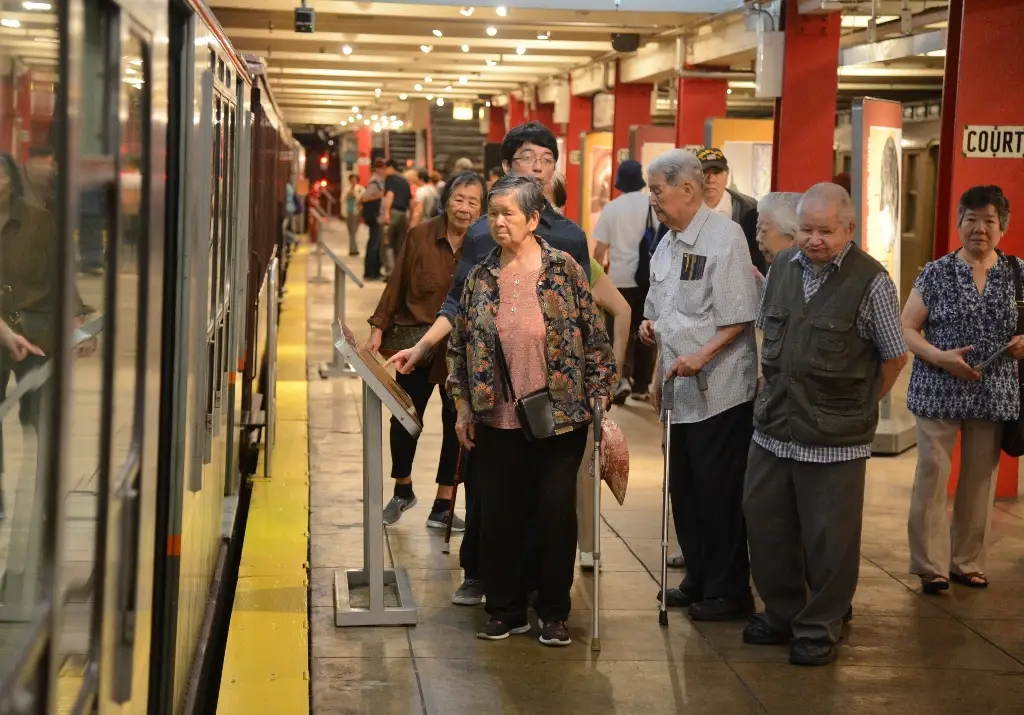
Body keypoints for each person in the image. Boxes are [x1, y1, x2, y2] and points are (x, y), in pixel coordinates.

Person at [387, 121, 591, 607]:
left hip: (553, 395)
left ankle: (543, 587)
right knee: (488, 489)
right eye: (527, 158)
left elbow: (587, 320)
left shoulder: (571, 238)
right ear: (506, 166)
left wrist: (595, 393)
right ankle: (481, 572)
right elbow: (458, 304)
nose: (538, 166)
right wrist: (423, 347)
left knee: (549, 498)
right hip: (492, 391)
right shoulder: (483, 235)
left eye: (547, 158)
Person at [742, 183, 909, 667]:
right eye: (805, 230)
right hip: (773, 427)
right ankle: (780, 613)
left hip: (835, 440)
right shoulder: (781, 270)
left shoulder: (872, 281)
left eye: (825, 231)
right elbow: (766, 332)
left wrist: (860, 408)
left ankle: (819, 625)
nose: (813, 240)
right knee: (767, 525)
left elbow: (894, 358)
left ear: (849, 230)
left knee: (828, 538)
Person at [446, 173, 617, 645]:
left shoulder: (564, 270)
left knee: (555, 514)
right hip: (495, 417)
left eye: (508, 214)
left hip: (560, 418)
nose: (498, 223)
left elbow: (595, 339)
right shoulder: (481, 277)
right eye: (493, 214)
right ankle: (505, 608)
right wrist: (462, 408)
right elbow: (458, 351)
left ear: (534, 218)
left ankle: (554, 611)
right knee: (501, 515)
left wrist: (602, 395)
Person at [639, 149, 760, 622]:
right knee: (683, 488)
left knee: (718, 492)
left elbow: (738, 317)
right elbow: (660, 314)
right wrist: (654, 360)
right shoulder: (666, 243)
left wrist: (700, 356)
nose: (652, 199)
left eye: (657, 190)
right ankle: (699, 576)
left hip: (720, 392)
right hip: (677, 391)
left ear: (687, 190)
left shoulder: (725, 238)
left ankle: (729, 589)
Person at [903, 185, 1024, 594]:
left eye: (989, 220)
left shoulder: (1018, 273)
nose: (979, 229)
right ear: (958, 223)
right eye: (970, 219)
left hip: (993, 392)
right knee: (932, 474)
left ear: (1002, 227)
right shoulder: (936, 272)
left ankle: (966, 561)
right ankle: (930, 566)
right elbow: (906, 328)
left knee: (979, 480)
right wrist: (939, 357)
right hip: (938, 387)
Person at [366, 172, 485, 531]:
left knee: (457, 425)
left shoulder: (484, 242)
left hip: (459, 350)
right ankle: (403, 488)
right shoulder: (420, 235)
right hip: (414, 342)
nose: (464, 209)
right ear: (446, 199)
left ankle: (443, 503)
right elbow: (397, 281)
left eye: (473, 202)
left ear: (481, 208)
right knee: (403, 419)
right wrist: (378, 326)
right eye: (459, 199)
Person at [547, 172, 631, 570]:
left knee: (581, 470)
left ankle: (587, 547)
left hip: (577, 387)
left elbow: (623, 310)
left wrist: (611, 371)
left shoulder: (583, 265)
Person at [593, 159, 659, 404]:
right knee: (645, 332)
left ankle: (619, 379)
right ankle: (642, 385)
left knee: (617, 332)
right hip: (647, 280)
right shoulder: (652, 205)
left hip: (618, 280)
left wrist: (597, 280)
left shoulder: (612, 208)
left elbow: (599, 250)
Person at [696, 147, 765, 274]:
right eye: (705, 172)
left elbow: (758, 256)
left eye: (716, 172)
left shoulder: (749, 208)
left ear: (726, 175)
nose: (710, 179)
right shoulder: (683, 208)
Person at [382, 158, 412, 275]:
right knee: (400, 244)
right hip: (403, 214)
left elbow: (389, 195)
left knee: (387, 242)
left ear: (390, 168)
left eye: (385, 169)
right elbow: (410, 200)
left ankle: (390, 272)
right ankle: (400, 272)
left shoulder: (390, 179)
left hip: (393, 212)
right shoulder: (404, 180)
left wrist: (386, 213)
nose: (384, 172)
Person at [358, 159, 387, 280]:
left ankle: (375, 271)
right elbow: (364, 199)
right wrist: (379, 195)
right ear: (379, 169)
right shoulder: (375, 182)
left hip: (378, 218)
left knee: (377, 244)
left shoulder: (380, 181)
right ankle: (370, 272)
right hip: (375, 218)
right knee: (374, 245)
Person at [343, 173, 364, 256]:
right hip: (348, 212)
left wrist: (355, 193)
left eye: (355, 180)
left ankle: (353, 250)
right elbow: (343, 199)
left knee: (353, 231)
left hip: (356, 212)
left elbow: (362, 198)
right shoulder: (347, 189)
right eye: (351, 180)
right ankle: (354, 249)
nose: (353, 181)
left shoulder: (360, 189)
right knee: (351, 231)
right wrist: (349, 193)